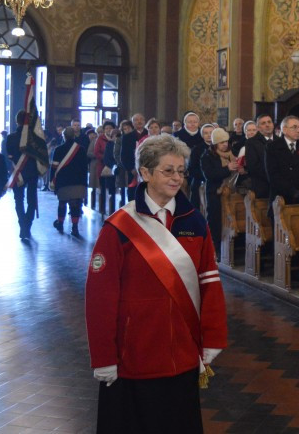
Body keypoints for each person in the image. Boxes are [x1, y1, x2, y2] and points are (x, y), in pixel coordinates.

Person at [85, 134, 227, 432]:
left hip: (183, 355)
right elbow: (100, 298)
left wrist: (213, 336)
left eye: (181, 171)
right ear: (145, 173)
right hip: (134, 356)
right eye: (168, 170)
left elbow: (210, 283)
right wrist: (104, 356)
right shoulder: (118, 227)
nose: (177, 178)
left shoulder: (195, 222)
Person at [201, 128, 241, 252]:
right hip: (215, 192)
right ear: (215, 144)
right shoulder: (207, 156)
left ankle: (234, 247)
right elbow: (210, 175)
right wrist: (227, 168)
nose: (225, 144)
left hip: (232, 191)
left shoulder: (232, 153)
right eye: (221, 142)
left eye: (226, 141)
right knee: (215, 220)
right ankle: (215, 248)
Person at [6, 111, 40, 240]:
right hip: (32, 172)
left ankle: (22, 226)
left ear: (17, 121)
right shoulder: (34, 138)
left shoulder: (11, 137)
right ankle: (28, 225)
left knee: (18, 200)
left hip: (18, 172)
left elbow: (9, 156)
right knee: (32, 200)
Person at [265, 116, 299, 204]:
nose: (298, 130)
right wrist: (292, 191)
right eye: (294, 127)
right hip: (281, 198)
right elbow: (273, 174)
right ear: (284, 129)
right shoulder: (272, 147)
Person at [51, 128, 88, 236]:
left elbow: (54, 167)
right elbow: (85, 168)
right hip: (78, 182)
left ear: (64, 136)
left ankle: (60, 224)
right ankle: (75, 228)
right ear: (74, 136)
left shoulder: (58, 150)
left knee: (62, 204)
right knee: (75, 205)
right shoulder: (81, 149)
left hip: (63, 182)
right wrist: (84, 184)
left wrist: (52, 182)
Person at [244, 114, 277, 198]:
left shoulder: (280, 141)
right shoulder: (251, 142)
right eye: (263, 123)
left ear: (273, 125)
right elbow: (253, 167)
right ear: (258, 128)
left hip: (280, 187)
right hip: (262, 187)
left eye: (269, 122)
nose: (267, 125)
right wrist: (273, 177)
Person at [94, 121, 117, 215]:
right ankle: (102, 207)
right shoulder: (100, 138)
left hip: (114, 166)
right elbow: (96, 152)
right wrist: (106, 158)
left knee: (112, 188)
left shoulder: (116, 138)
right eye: (106, 128)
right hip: (103, 166)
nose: (108, 130)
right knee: (103, 188)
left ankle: (112, 208)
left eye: (110, 128)